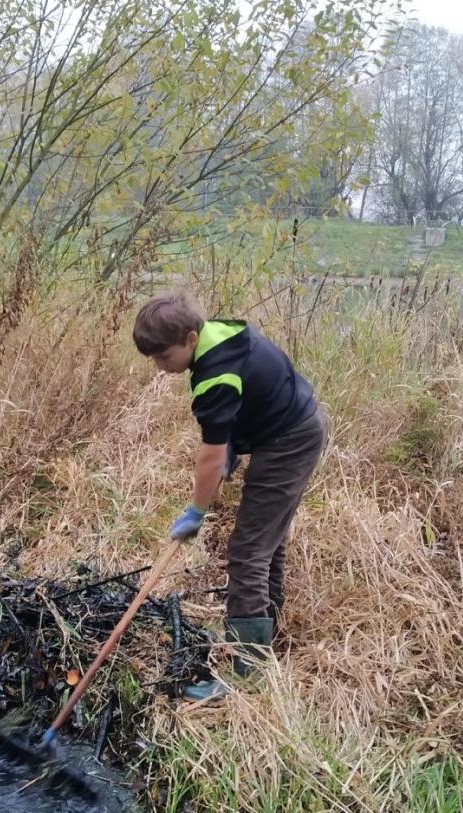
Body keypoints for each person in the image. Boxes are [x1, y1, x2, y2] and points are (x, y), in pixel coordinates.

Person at [132, 291, 329, 701]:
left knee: (248, 551)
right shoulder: (218, 334)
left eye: (163, 357)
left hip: (289, 439)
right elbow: (245, 404)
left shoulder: (215, 375)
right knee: (265, 543)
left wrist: (196, 510)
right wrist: (233, 449)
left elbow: (210, 456)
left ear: (189, 338)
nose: (159, 367)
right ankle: (260, 631)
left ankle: (248, 675)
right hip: (290, 425)